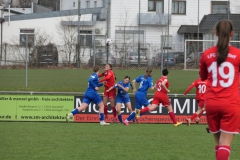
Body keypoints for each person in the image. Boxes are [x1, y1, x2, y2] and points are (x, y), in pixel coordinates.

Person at [199, 20, 240, 160]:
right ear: (232, 34)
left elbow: (203, 77)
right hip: (230, 103)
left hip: (212, 103)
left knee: (218, 144)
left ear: (216, 33)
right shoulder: (237, 54)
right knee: (225, 144)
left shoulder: (206, 54)